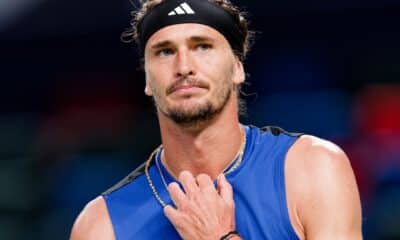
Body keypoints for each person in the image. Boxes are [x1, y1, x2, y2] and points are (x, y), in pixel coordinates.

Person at [70, 0, 362, 239]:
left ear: (237, 67)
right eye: (165, 51)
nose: (184, 66)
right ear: (147, 79)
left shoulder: (313, 169)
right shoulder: (100, 226)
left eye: (202, 46)